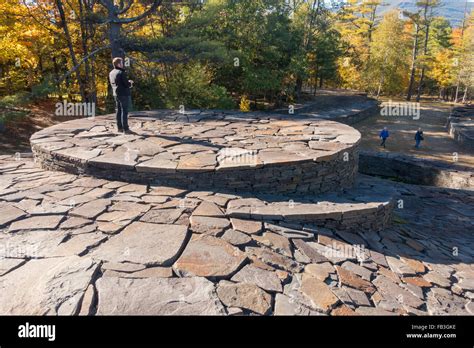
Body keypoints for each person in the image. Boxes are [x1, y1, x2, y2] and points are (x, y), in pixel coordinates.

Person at [109, 57, 133, 133]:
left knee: (118, 110)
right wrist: (130, 83)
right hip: (123, 94)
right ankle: (126, 129)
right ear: (119, 64)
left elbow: (116, 82)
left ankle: (119, 128)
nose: (123, 64)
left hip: (115, 94)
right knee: (124, 111)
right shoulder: (121, 72)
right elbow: (126, 84)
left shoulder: (111, 72)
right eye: (122, 63)